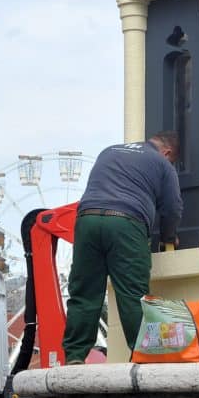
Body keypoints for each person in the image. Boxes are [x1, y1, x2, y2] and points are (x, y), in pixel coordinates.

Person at [62, 131, 183, 365]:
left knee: (84, 292)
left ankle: (75, 356)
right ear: (167, 152)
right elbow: (172, 208)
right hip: (126, 223)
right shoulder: (162, 164)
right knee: (133, 294)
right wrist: (168, 236)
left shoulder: (109, 151)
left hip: (86, 219)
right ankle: (142, 356)